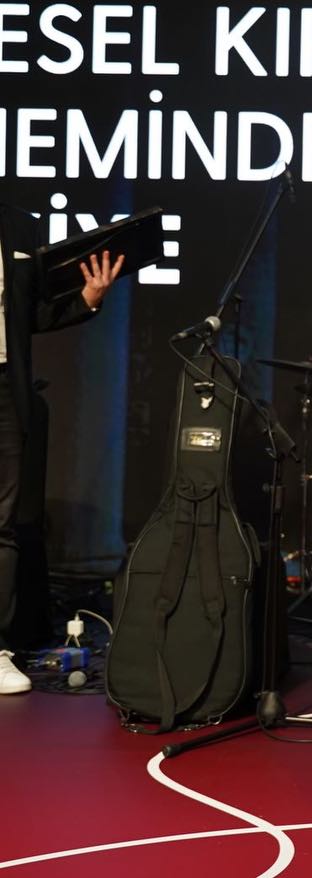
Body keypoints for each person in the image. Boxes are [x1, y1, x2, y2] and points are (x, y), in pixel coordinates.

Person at [0, 202, 121, 695]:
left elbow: (32, 313)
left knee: (3, 525)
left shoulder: (17, 226)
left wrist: (88, 297)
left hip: (5, 388)